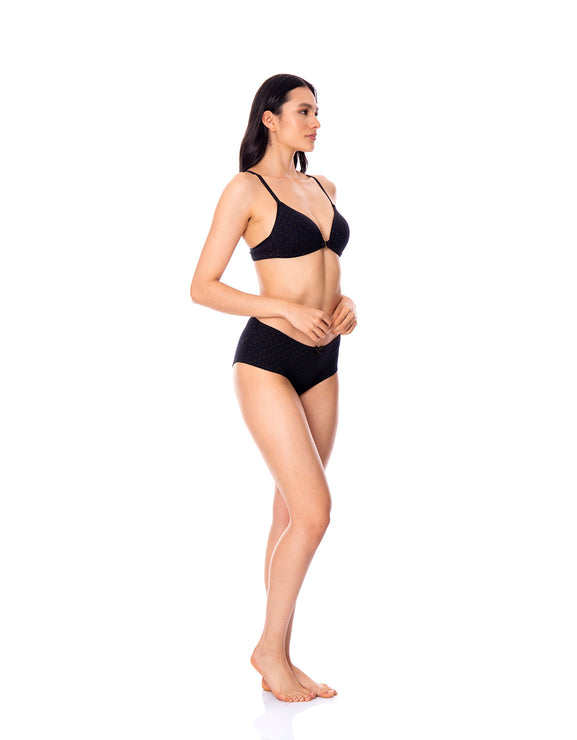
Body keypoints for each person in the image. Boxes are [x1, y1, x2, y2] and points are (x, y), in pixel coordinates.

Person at [190, 73, 357, 703]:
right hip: (268, 359)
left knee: (291, 512)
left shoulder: (323, 187)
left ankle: (278, 656)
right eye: (304, 111)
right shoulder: (246, 189)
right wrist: (282, 308)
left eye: (317, 112)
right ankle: (268, 649)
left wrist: (346, 303)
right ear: (270, 117)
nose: (316, 122)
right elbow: (202, 286)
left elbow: (325, 272)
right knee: (315, 513)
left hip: (325, 360)